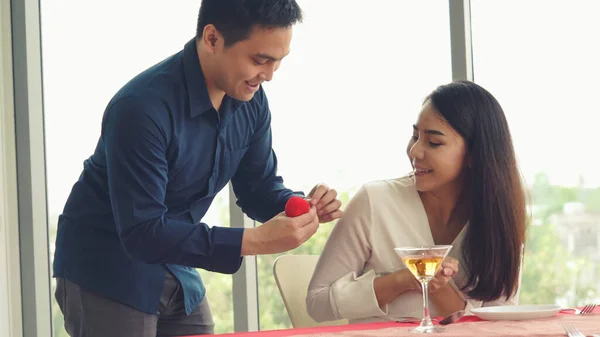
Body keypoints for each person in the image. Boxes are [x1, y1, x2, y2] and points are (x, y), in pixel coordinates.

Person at [52, 1, 343, 336]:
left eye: (278, 62)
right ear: (212, 38)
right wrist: (254, 241)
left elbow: (258, 187)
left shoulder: (252, 101)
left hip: (175, 259)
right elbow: (142, 231)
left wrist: (301, 207)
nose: (269, 76)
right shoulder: (141, 109)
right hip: (107, 266)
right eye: (259, 60)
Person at [306, 81, 527, 324]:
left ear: (474, 155)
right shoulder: (375, 201)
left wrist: (437, 285)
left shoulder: (498, 220)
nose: (414, 151)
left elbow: (497, 325)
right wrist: (400, 280)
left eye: (434, 142)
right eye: (415, 136)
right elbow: (318, 303)